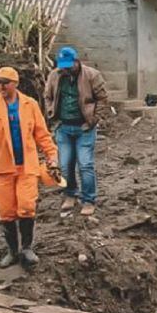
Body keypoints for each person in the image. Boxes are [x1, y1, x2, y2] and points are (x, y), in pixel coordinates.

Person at [0, 67, 59, 269]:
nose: (1, 86)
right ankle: (12, 250)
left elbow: (42, 134)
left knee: (27, 206)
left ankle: (27, 248)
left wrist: (52, 156)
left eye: (5, 82)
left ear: (15, 83)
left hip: (27, 165)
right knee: (5, 210)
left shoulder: (30, 105)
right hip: (2, 166)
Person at [43, 46, 107, 217]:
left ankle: (89, 200)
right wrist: (51, 113)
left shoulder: (92, 75)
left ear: (77, 62)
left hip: (84, 127)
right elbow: (47, 96)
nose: (65, 69)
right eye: (63, 66)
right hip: (63, 127)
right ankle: (70, 194)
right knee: (65, 165)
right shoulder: (55, 75)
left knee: (85, 164)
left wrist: (94, 119)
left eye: (68, 66)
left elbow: (102, 99)